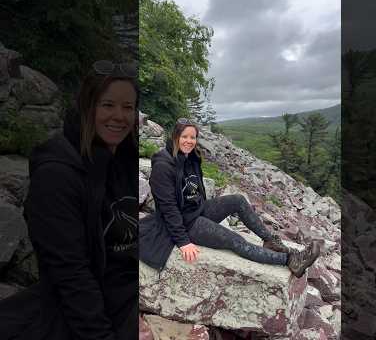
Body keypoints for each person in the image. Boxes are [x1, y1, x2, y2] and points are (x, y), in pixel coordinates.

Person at [0, 61, 139, 340]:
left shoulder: (123, 158)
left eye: (128, 107)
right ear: (87, 107)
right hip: (87, 311)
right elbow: (70, 274)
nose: (119, 116)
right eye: (107, 105)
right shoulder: (57, 174)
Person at [140, 118, 320, 277]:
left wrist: (205, 209)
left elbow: (196, 191)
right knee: (234, 240)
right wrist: (183, 241)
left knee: (238, 200)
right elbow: (168, 207)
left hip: (197, 211)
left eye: (192, 137)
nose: (189, 141)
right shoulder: (163, 165)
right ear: (175, 137)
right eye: (184, 137)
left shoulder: (190, 157)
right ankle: (289, 260)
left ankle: (271, 241)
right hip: (185, 224)